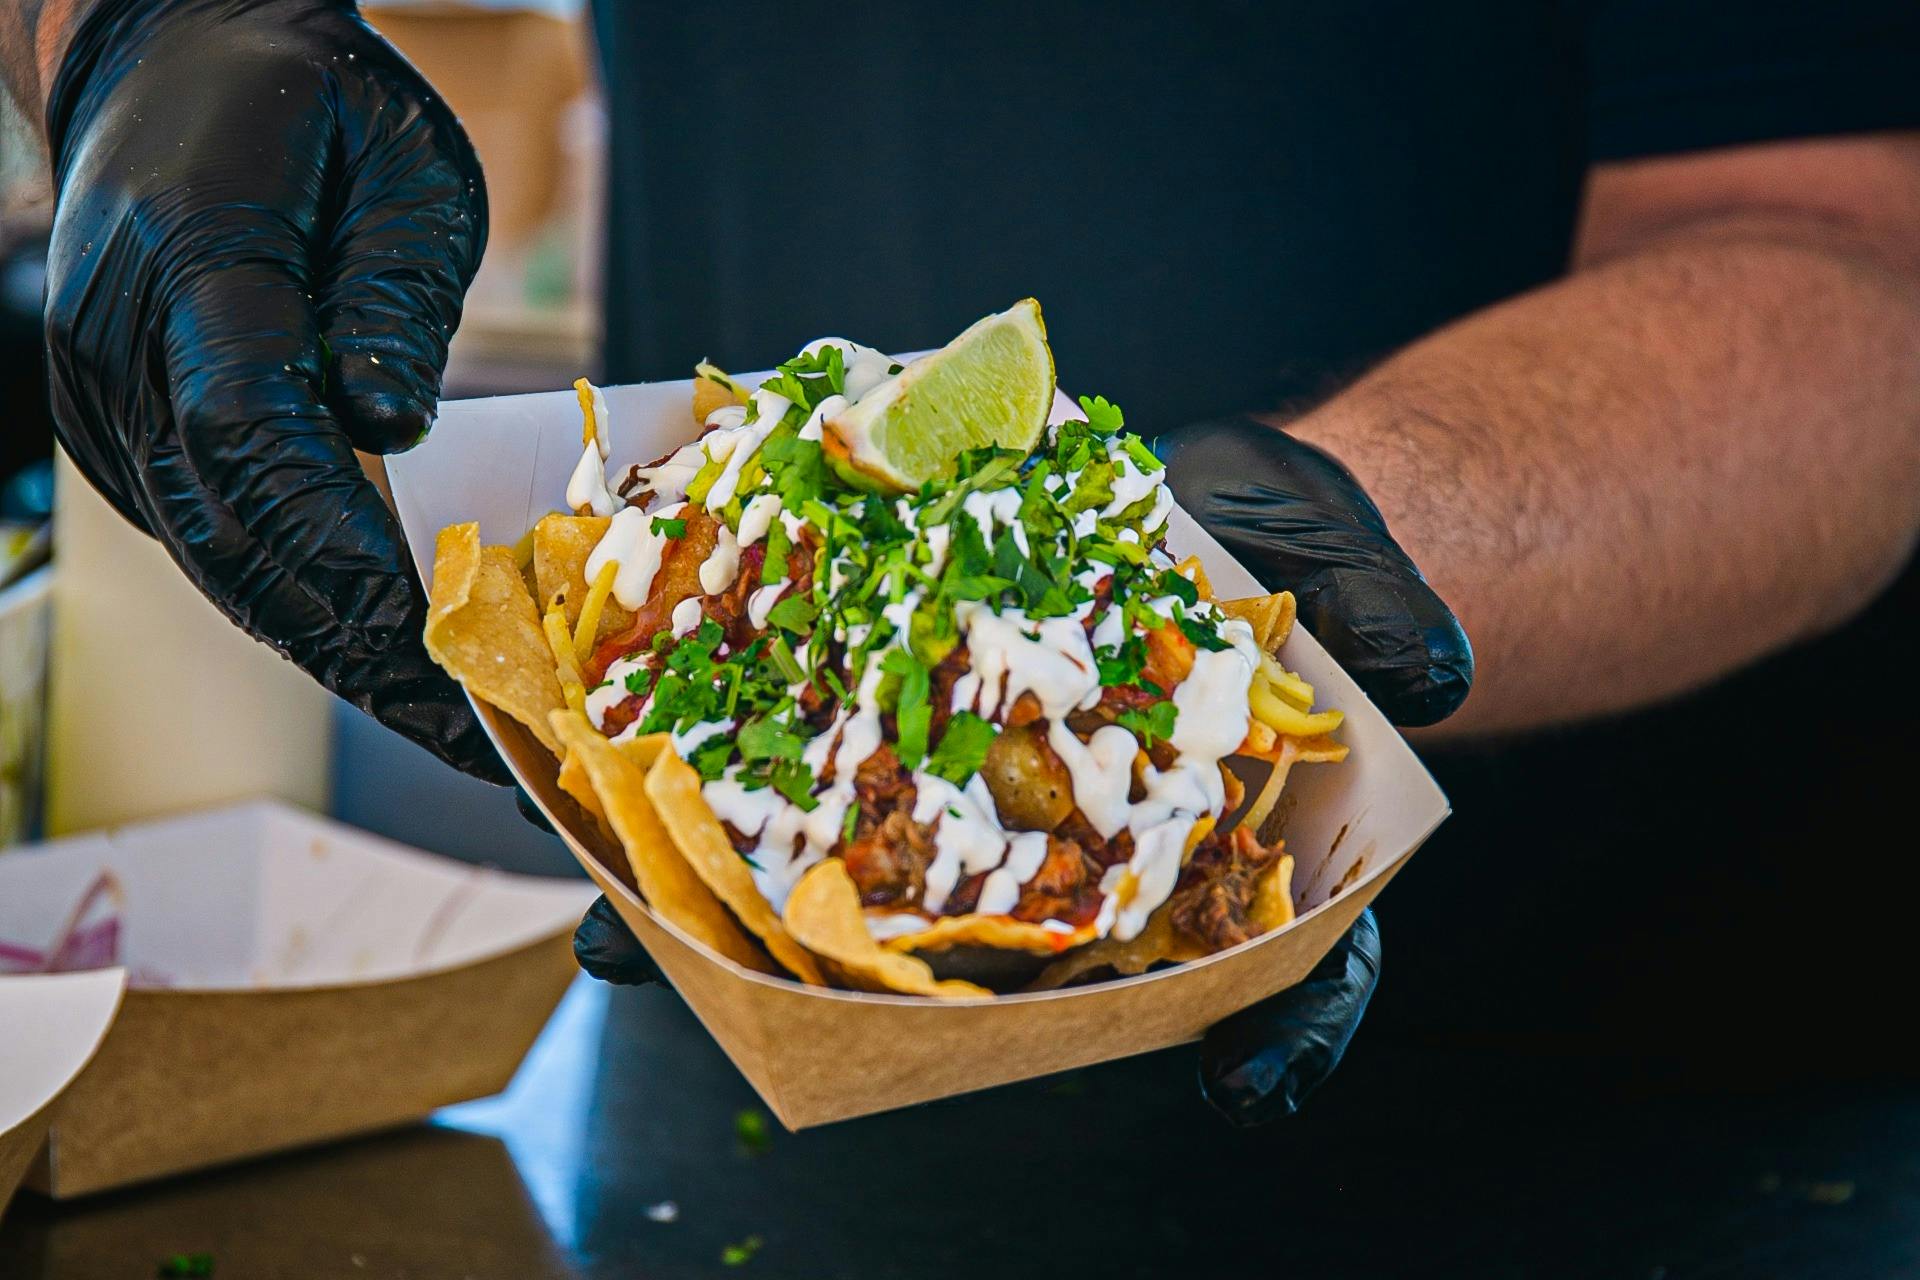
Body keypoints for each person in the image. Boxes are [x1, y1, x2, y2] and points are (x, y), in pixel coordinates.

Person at [3, 0, 1915, 1129]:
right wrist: (124, 35)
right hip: (740, 1025)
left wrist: (1325, 555)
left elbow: (1857, 259)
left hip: (1599, 1101)